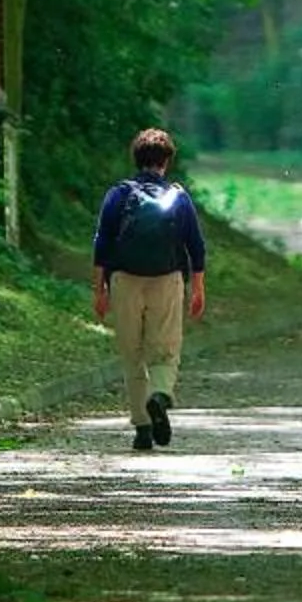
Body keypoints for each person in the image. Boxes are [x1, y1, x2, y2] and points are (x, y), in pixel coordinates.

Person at [92, 128, 207, 453]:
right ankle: (159, 394)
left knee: (133, 354)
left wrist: (99, 290)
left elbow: (102, 243)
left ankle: (142, 428)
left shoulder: (118, 194)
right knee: (165, 350)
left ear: (136, 159)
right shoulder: (178, 197)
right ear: (166, 161)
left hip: (124, 281)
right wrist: (197, 288)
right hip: (167, 280)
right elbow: (195, 247)